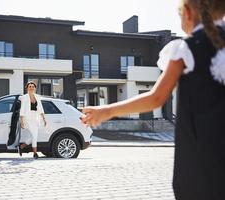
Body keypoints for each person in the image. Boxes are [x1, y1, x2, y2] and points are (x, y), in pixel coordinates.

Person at [81, 0, 225, 199]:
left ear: (189, 13)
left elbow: (157, 97)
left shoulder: (187, 48)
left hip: (202, 155)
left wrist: (108, 110)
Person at [18, 82, 47, 159]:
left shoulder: (37, 96)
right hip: (27, 118)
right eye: (30, 86)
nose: (31, 88)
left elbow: (40, 108)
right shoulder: (24, 97)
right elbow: (22, 109)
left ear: (35, 88)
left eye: (33, 86)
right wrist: (22, 121)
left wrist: (44, 118)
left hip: (35, 118)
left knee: (34, 136)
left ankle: (22, 146)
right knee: (34, 136)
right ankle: (35, 153)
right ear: (27, 88)